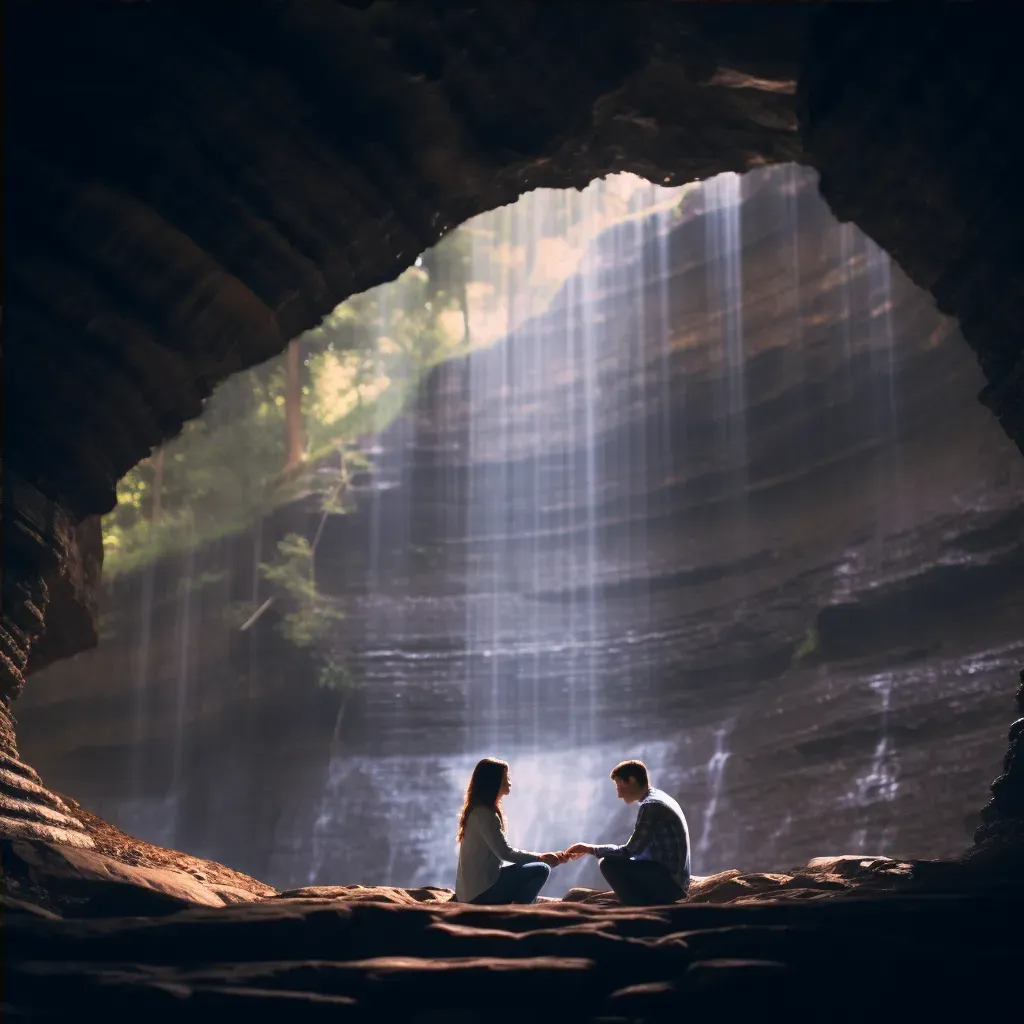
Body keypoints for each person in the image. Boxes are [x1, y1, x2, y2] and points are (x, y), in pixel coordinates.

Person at [562, 759, 690, 906]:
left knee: (608, 863)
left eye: (619, 787)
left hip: (669, 884)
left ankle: (635, 906)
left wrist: (590, 849)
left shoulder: (651, 806)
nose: (619, 795)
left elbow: (630, 851)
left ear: (632, 780)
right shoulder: (659, 798)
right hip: (676, 881)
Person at [455, 757, 564, 904]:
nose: (509, 781)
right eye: (506, 777)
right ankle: (519, 913)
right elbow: (505, 853)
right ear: (494, 781)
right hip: (481, 894)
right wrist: (541, 858)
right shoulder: (485, 814)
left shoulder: (479, 811)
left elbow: (500, 856)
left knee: (528, 867)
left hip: (473, 891)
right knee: (541, 869)